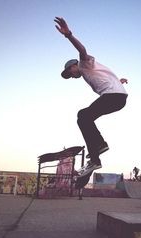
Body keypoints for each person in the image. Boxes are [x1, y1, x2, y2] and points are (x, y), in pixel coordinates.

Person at [54, 17, 128, 177]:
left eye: (70, 73)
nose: (72, 76)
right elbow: (109, 78)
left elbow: (82, 50)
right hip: (118, 98)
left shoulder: (84, 64)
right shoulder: (93, 72)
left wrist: (69, 35)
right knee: (86, 117)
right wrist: (119, 81)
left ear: (74, 65)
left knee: (83, 115)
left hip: (113, 96)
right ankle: (99, 146)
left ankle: (96, 156)